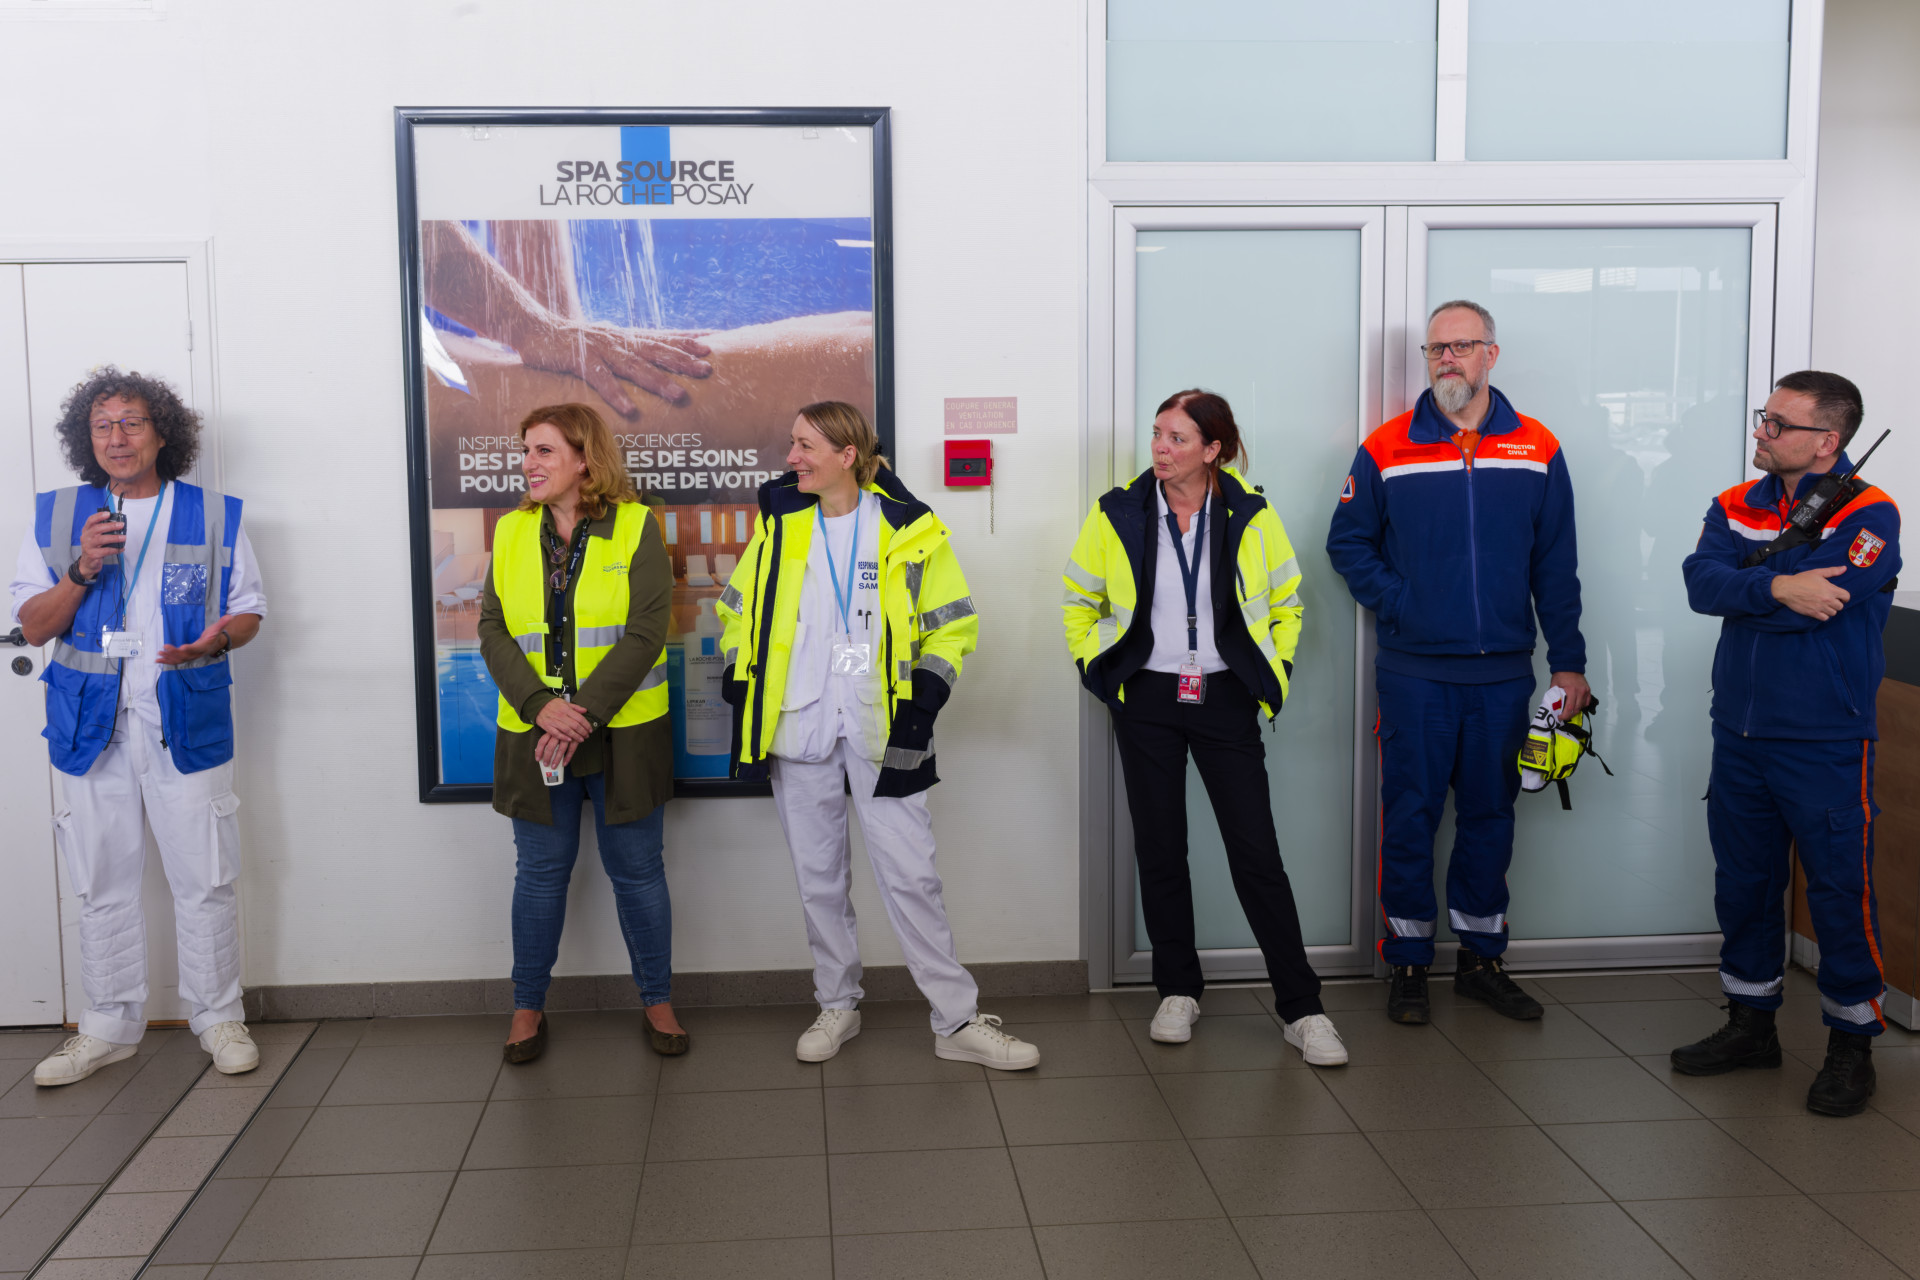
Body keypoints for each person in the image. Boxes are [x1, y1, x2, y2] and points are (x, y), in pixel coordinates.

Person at [716, 401, 1039, 1070]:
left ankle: (955, 1021)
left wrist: (926, 699)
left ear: (847, 455)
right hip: (800, 725)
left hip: (887, 728)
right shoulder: (780, 526)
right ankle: (837, 1004)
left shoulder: (907, 528)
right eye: (792, 444)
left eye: (805, 446)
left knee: (912, 877)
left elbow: (952, 624)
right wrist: (738, 671)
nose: (791, 458)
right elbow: (738, 611)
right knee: (819, 880)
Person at [1063, 389, 1348, 1067]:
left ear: (1213, 449)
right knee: (1160, 849)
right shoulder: (1118, 512)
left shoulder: (1250, 513)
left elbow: (1287, 601)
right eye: (1158, 434)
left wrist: (1270, 674)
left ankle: (1302, 1008)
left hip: (1224, 698)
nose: (1160, 449)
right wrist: (1101, 671)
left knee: (1256, 853)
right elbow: (1079, 600)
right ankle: (1177, 990)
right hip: (1147, 699)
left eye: (1178, 438)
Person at [1327, 301, 1589, 1026]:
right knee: (1410, 815)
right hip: (1415, 674)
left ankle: (1481, 960)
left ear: (1490, 355)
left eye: (1462, 346)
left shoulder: (1536, 446)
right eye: (1436, 348)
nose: (1447, 359)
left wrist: (1568, 664)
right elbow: (1348, 543)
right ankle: (1409, 963)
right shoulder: (1387, 447)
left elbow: (1556, 563)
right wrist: (1402, 602)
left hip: (1502, 675)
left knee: (1490, 817)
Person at [10, 369, 264, 1085]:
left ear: (162, 434)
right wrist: (82, 568)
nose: (116, 438)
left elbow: (248, 609)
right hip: (89, 728)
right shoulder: (57, 518)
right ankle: (106, 1027)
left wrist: (215, 640)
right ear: (85, 438)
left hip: (186, 720)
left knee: (205, 877)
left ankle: (219, 1017)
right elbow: (34, 626)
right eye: (102, 425)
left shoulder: (212, 515)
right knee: (101, 881)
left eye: (132, 422)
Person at [1669, 371, 1899, 1117]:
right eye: (1763, 417)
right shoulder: (1735, 502)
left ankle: (1852, 1044)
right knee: (1745, 884)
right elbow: (1701, 586)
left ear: (1827, 440)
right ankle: (1751, 1024)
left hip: (1824, 737)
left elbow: (1822, 604)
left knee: (1838, 890)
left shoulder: (1870, 512)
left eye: (1777, 424)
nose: (1761, 432)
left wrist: (1753, 583)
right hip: (1739, 732)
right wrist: (1776, 585)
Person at [477, 403, 685, 1062]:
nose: (527, 463)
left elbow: (647, 632)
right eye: (525, 451)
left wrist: (583, 714)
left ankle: (657, 1001)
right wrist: (542, 706)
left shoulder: (636, 526)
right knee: (540, 874)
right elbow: (492, 628)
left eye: (543, 451)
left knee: (638, 871)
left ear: (585, 459)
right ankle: (527, 1007)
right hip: (534, 733)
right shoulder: (512, 530)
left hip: (624, 733)